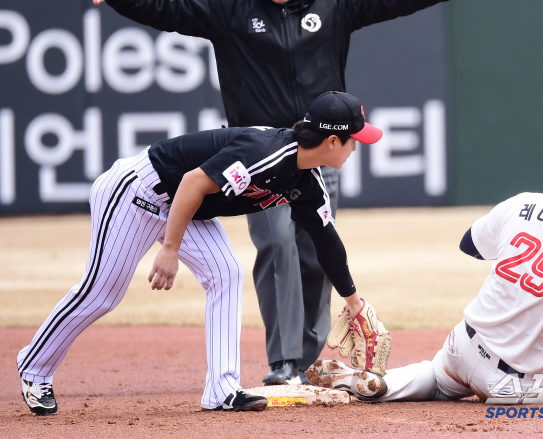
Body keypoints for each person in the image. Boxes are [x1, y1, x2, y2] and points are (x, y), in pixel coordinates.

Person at [58, 0, 512, 385]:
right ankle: (282, 362)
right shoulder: (230, 7)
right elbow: (165, 5)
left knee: (316, 247)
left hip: (320, 153)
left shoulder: (335, 0)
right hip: (257, 155)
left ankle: (311, 362)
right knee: (276, 244)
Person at [17, 91, 384, 415]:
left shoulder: (307, 179)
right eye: (355, 140)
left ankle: (222, 389)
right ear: (333, 141)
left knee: (226, 272)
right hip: (141, 192)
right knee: (102, 293)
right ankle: (34, 368)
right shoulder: (266, 153)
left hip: (186, 206)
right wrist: (170, 250)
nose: (357, 148)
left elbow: (327, 241)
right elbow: (193, 181)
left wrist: (353, 301)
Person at [309, 137, 543, 407]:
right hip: (509, 383)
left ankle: (381, 384)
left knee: (440, 376)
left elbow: (470, 245)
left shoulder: (525, 201)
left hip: (462, 345)